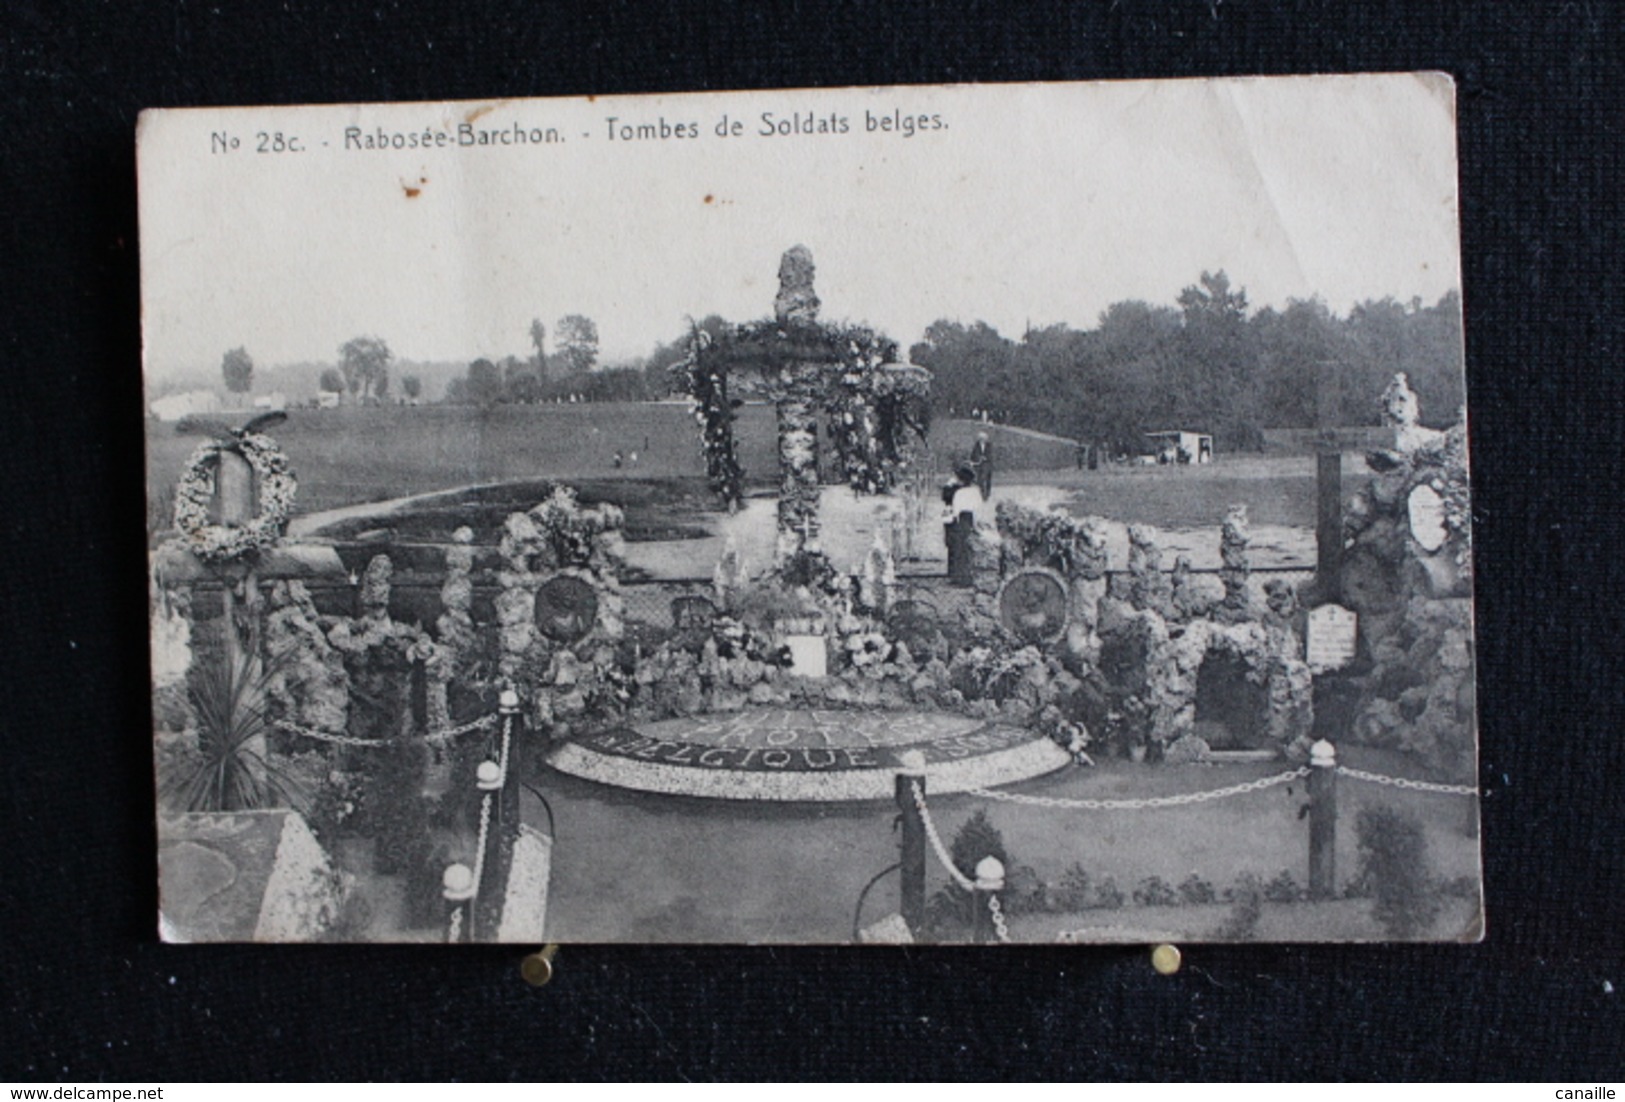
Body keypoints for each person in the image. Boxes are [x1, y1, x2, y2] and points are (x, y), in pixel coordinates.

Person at [943, 463, 980, 587]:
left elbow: (956, 510)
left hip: (960, 521)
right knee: (968, 549)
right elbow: (977, 508)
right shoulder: (975, 491)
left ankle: (959, 577)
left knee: (959, 549)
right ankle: (968, 576)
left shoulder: (959, 493)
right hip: (970, 519)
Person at [970, 432, 993, 500]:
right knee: (980, 479)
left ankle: (988, 493)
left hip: (987, 464)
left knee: (987, 479)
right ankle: (982, 494)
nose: (983, 440)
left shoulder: (989, 445)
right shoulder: (976, 445)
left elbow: (990, 454)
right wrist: (979, 458)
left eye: (984, 438)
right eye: (982, 439)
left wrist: (985, 457)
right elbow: (974, 454)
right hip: (979, 465)